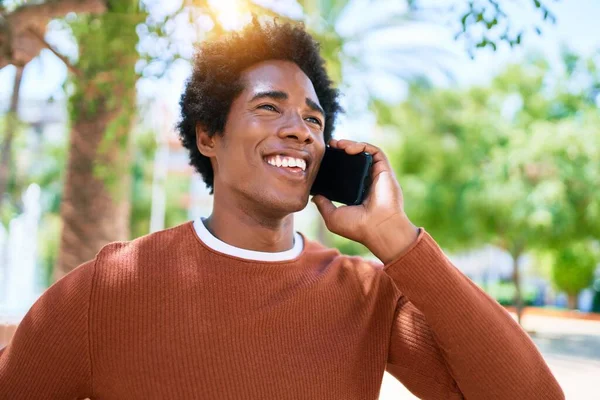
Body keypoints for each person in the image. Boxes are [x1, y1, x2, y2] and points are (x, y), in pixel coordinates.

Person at [0, 19, 563, 400]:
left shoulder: (366, 295)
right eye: (270, 108)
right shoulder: (111, 287)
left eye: (314, 121)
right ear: (207, 136)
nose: (299, 130)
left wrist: (396, 238)